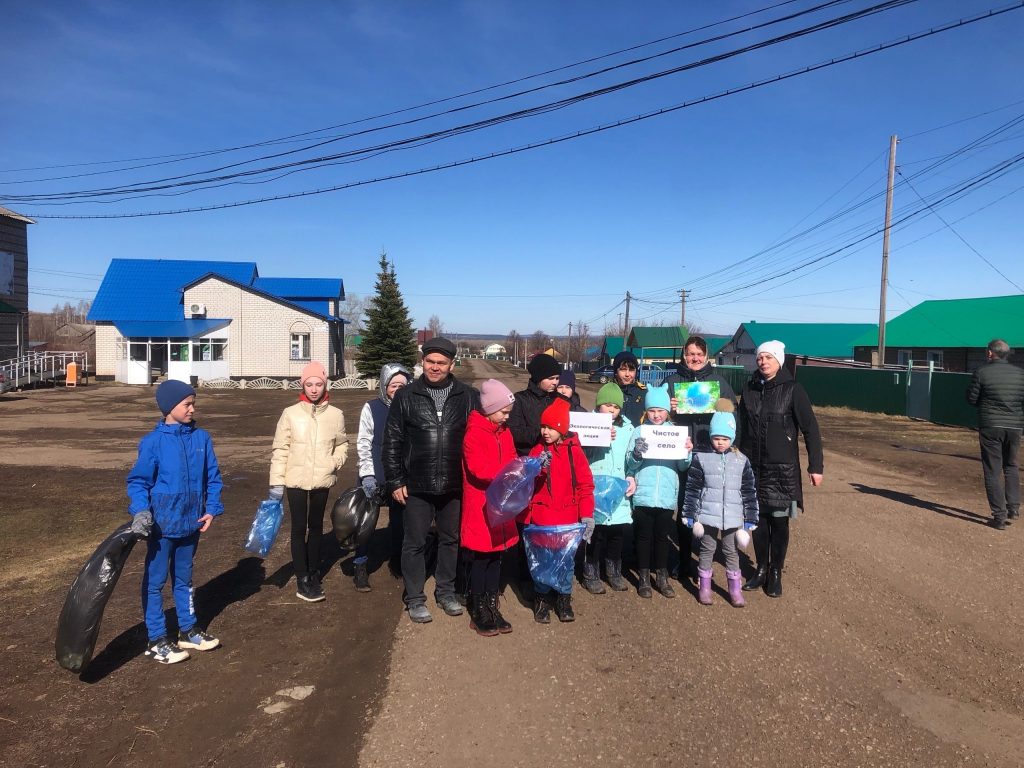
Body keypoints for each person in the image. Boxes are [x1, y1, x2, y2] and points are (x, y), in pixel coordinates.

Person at [127, 380, 224, 664]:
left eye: (193, 404)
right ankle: (156, 639)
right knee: (155, 582)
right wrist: (141, 512)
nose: (192, 409)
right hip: (162, 527)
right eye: (187, 404)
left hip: (191, 523)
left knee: (184, 579)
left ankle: (188, 630)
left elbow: (213, 478)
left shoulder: (202, 439)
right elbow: (138, 482)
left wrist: (211, 509)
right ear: (170, 407)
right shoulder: (153, 443)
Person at [383, 337, 478, 624]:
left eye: (441, 363)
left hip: (454, 484)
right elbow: (392, 441)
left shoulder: (468, 396)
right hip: (417, 484)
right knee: (414, 542)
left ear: (451, 364)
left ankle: (446, 592)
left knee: (450, 540)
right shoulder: (406, 396)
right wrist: (395, 480)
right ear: (422, 362)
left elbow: (478, 438)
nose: (435, 367)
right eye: (430, 362)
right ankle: (414, 598)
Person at [738, 341, 823, 599]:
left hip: (781, 470)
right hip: (753, 468)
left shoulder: (793, 389)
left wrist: (816, 466)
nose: (763, 361)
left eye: (768, 357)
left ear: (779, 361)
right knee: (758, 521)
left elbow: (810, 429)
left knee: (779, 521)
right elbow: (740, 427)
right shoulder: (750, 389)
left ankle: (775, 571)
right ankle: (761, 568)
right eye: (760, 357)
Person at [270, 361, 349, 603]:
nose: (314, 389)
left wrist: (333, 463)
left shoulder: (335, 415)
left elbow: (342, 444)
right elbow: (281, 449)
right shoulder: (290, 414)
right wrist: (276, 483)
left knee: (316, 527)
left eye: (318, 384)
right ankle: (302, 576)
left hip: (321, 479)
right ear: (302, 385)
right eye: (309, 384)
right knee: (298, 528)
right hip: (295, 479)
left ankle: (313, 572)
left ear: (325, 385)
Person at [663, 336, 740, 582]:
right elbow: (653, 416)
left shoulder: (719, 383)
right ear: (683, 355)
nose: (694, 358)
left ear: (706, 356)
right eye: (690, 353)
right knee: (685, 507)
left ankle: (705, 561)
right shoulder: (672, 382)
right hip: (681, 454)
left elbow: (733, 417)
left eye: (699, 354)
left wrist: (723, 408)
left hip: (710, 454)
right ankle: (684, 560)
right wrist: (668, 408)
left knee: (709, 508)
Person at [525, 398, 596, 624]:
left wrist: (587, 515)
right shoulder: (538, 450)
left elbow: (585, 485)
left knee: (566, 562)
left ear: (562, 429)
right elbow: (526, 483)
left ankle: (564, 599)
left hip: (568, 520)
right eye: (543, 427)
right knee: (542, 560)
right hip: (542, 519)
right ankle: (542, 599)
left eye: (551, 427)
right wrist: (537, 468)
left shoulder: (575, 452)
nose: (545, 432)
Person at [682, 410, 758, 607]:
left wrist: (750, 516)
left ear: (732, 438)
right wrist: (689, 513)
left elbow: (749, 490)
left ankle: (735, 589)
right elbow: (693, 488)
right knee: (707, 549)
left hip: (733, 517)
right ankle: (705, 587)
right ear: (711, 437)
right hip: (707, 515)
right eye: (716, 438)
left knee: (730, 551)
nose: (720, 443)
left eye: (725, 439)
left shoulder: (742, 460)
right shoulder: (701, 459)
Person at [461, 378, 519, 637]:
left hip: (501, 503)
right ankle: (478, 607)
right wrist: (507, 475)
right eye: (503, 411)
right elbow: (478, 469)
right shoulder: (474, 432)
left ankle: (492, 604)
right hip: (482, 505)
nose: (507, 416)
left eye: (508, 412)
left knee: (496, 556)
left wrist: (520, 469)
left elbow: (512, 457)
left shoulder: (504, 432)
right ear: (489, 408)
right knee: (481, 557)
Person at [626, 384, 692, 599]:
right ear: (646, 411)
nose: (656, 415)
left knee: (662, 538)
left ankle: (662, 576)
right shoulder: (639, 431)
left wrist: (687, 452)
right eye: (652, 411)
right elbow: (630, 464)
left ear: (668, 411)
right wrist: (637, 453)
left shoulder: (676, 433)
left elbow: (682, 466)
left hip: (666, 495)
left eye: (660, 410)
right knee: (643, 536)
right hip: (643, 494)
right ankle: (644, 576)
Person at [355, 362, 412, 589]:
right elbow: (363, 442)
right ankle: (360, 564)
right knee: (365, 523)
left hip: (400, 474)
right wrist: (367, 474)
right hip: (375, 471)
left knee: (400, 522)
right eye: (392, 385)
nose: (397, 389)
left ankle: (398, 560)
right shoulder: (372, 408)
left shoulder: (411, 406)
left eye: (402, 385)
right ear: (384, 385)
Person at [582, 382, 636, 594]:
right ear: (598, 405)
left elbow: (630, 458)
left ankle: (613, 571)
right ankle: (590, 571)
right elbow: (581, 454)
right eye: (607, 405)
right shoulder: (588, 424)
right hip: (596, 487)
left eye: (616, 407)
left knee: (616, 533)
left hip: (618, 487)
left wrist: (632, 471)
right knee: (595, 533)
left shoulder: (629, 428)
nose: (612, 410)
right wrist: (598, 438)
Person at [966, 339, 1024, 530]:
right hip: (1014, 426)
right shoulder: (1020, 374)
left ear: (990, 353)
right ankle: (1013, 508)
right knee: (1011, 465)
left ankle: (999, 516)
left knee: (992, 470)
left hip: (990, 425)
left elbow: (972, 399)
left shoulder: (982, 372)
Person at [509, 352, 562, 455]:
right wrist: (543, 433)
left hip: (557, 456)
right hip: (529, 457)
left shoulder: (561, 400)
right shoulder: (520, 400)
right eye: (550, 378)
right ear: (538, 378)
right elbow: (515, 432)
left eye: (557, 378)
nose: (555, 382)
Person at [612, 350, 647, 426]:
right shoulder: (609, 391)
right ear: (616, 372)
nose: (627, 374)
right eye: (623, 370)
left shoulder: (644, 392)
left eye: (631, 370)